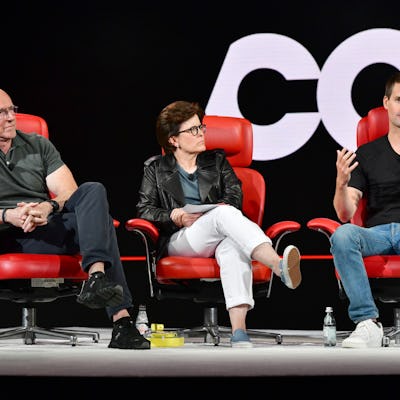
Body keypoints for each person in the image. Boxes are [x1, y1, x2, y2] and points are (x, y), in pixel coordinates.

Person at [136, 100, 302, 348]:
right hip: (182, 238)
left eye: (201, 127)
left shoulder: (216, 161)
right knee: (223, 215)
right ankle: (278, 266)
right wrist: (174, 215)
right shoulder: (156, 168)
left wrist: (212, 215)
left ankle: (239, 332)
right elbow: (144, 209)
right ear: (173, 140)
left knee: (232, 246)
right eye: (193, 130)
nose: (202, 133)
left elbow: (234, 196)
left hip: (220, 233)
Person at [0, 88, 150, 350]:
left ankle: (96, 278)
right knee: (103, 225)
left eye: (12, 109)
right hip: (7, 234)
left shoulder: (37, 144)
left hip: (43, 227)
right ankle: (122, 321)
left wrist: (47, 207)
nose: (11, 117)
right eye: (2, 112)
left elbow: (69, 193)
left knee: (93, 190)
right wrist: (7, 215)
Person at [331, 71, 400, 348]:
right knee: (343, 234)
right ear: (386, 103)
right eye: (399, 99)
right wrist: (341, 183)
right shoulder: (367, 153)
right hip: (379, 233)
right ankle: (367, 323)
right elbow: (345, 214)